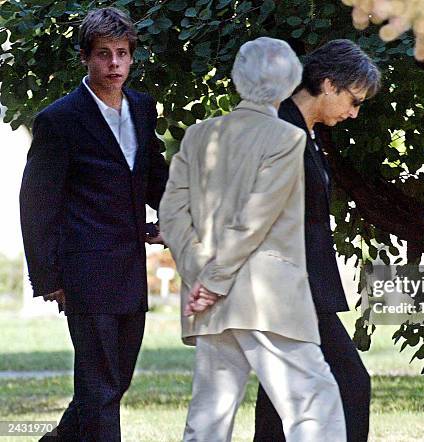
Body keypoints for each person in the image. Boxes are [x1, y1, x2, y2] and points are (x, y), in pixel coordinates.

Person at [159, 37, 346, 442]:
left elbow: (171, 215)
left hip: (210, 302)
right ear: (290, 82)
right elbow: (256, 219)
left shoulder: (197, 136)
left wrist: (200, 275)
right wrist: (213, 281)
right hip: (268, 299)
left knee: (209, 417)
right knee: (316, 405)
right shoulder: (288, 140)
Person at [19, 7, 168, 441]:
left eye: (122, 53)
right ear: (87, 57)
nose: (115, 64)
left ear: (132, 57)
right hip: (84, 272)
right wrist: (48, 277)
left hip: (129, 270)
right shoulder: (59, 119)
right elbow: (37, 205)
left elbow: (151, 173)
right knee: (100, 389)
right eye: (104, 54)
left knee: (111, 384)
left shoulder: (142, 108)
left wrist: (177, 217)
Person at [253, 39, 381, 442]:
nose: (354, 113)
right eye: (354, 100)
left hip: (300, 288)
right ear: (328, 84)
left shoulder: (303, 132)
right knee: (350, 383)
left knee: (278, 400)